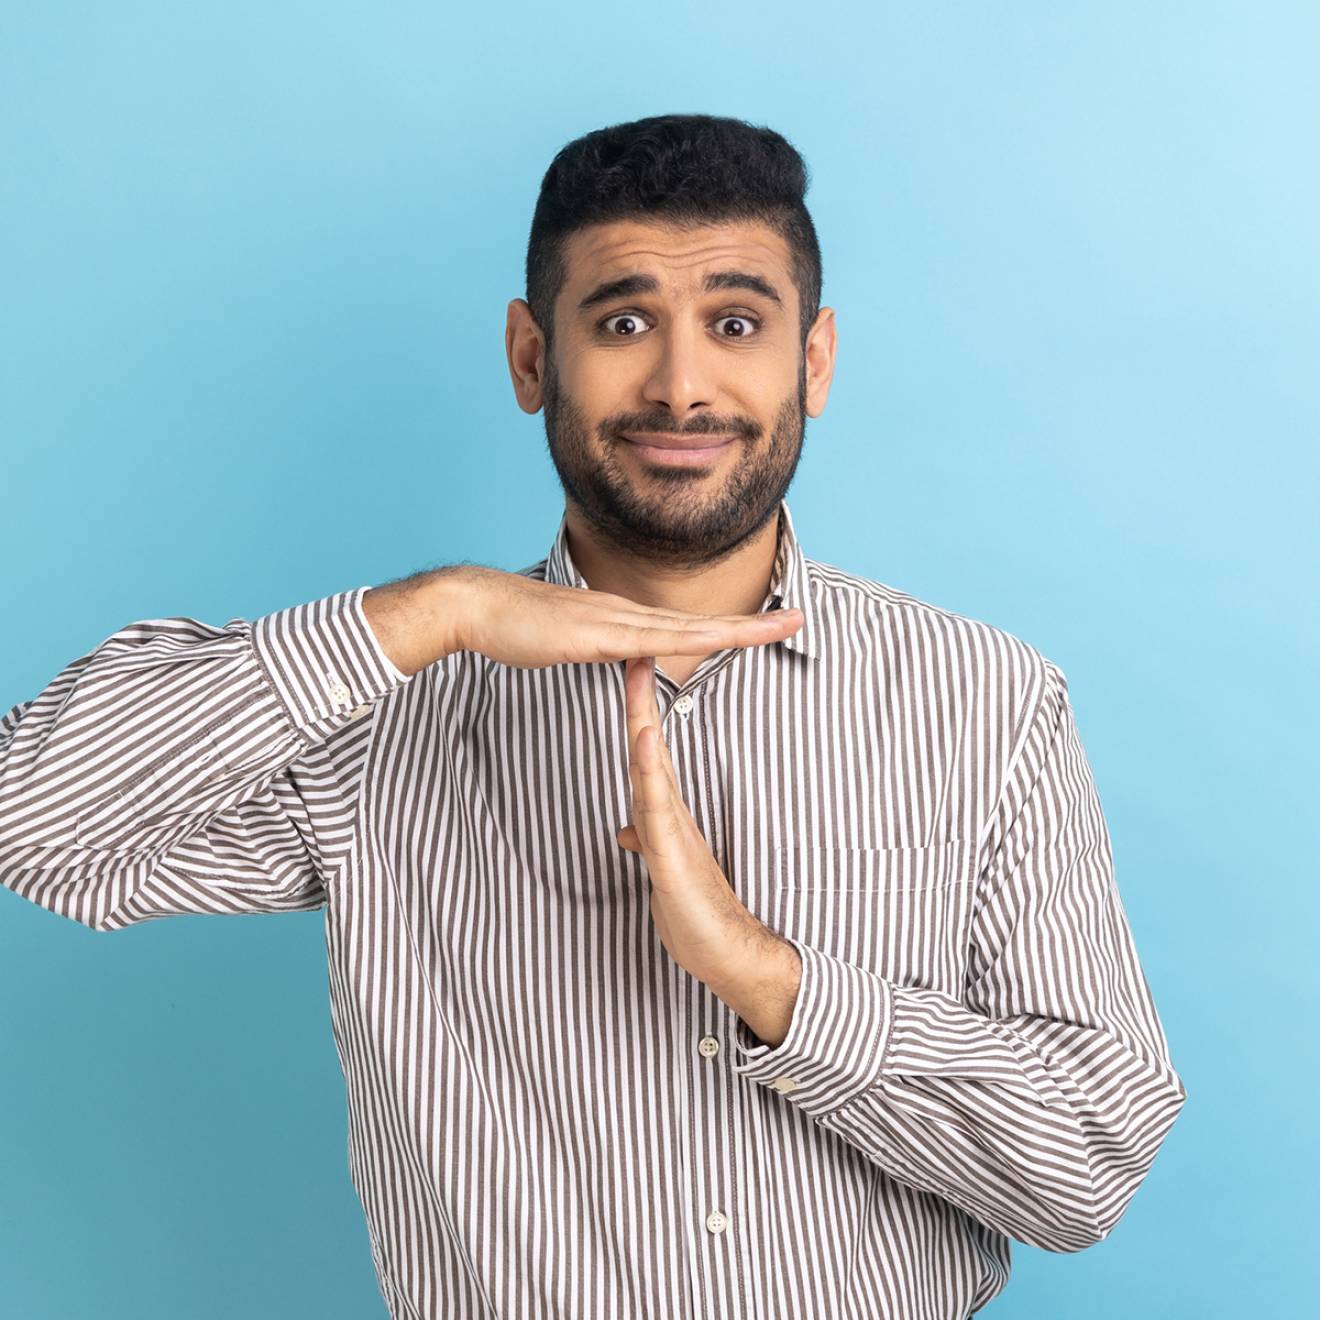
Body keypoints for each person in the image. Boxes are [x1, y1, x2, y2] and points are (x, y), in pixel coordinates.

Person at [0, 113, 1187, 1320]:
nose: (682, 384)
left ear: (813, 362)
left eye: (736, 324)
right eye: (625, 323)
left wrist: (772, 981)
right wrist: (433, 615)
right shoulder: (383, 714)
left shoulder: (984, 700)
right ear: (530, 359)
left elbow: (1088, 1161)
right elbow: (26, 822)